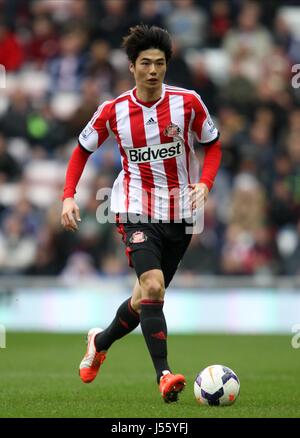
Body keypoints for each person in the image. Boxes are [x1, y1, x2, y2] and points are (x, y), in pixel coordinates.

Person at [61, 24, 222, 403]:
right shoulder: (113, 110)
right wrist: (68, 196)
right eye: (146, 63)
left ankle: (99, 342)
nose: (153, 70)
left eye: (160, 63)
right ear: (131, 67)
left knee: (143, 297)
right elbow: (81, 150)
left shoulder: (188, 103)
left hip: (180, 212)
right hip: (134, 207)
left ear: (167, 65)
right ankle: (164, 376)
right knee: (153, 286)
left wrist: (205, 184)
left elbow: (213, 145)